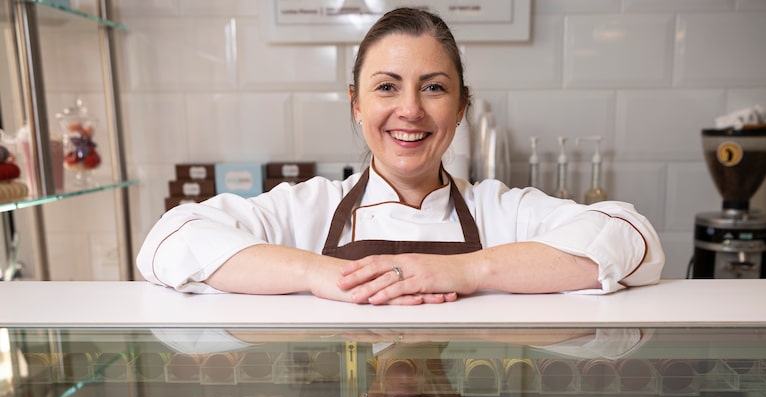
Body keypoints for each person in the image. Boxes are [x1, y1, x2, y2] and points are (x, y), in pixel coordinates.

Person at [137, 8, 664, 305]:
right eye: (387, 87)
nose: (409, 110)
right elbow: (170, 239)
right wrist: (318, 274)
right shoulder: (308, 210)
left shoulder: (499, 213)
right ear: (357, 105)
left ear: (461, 108)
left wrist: (471, 271)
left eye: (433, 88)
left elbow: (632, 238)